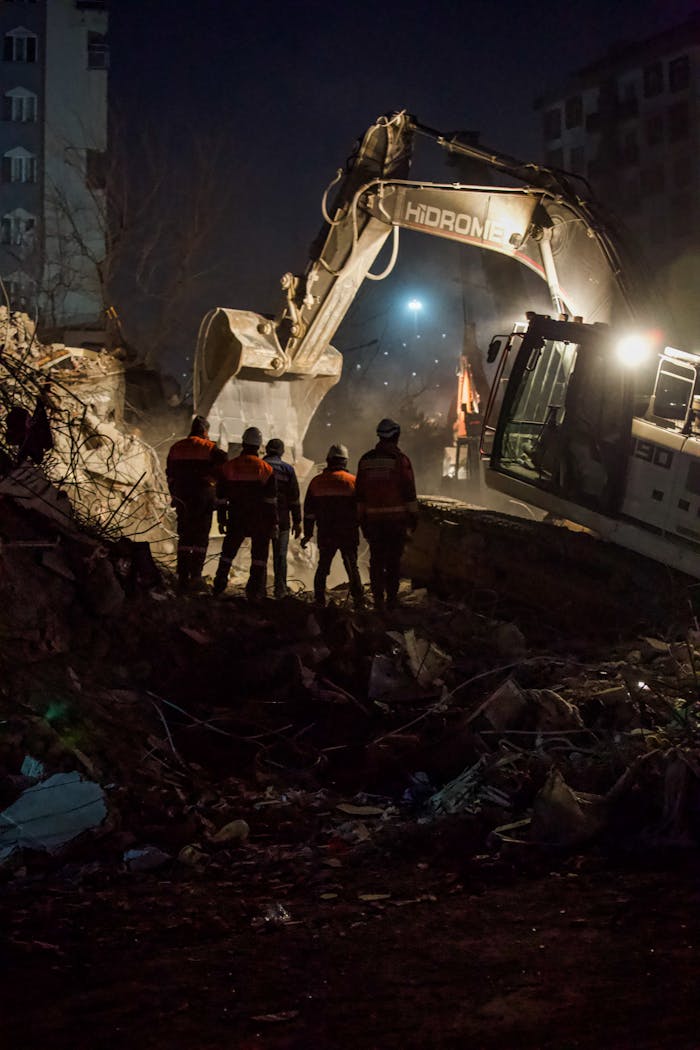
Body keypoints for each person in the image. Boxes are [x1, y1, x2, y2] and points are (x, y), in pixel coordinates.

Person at [355, 417, 418, 612]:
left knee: (376, 560)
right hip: (396, 523)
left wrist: (362, 522)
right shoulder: (400, 460)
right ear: (396, 436)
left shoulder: (365, 460)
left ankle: (378, 600)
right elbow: (409, 492)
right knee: (393, 562)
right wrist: (413, 520)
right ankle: (391, 600)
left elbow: (360, 495)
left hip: (373, 522)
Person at [213, 426, 278, 599]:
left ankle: (219, 586)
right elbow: (271, 502)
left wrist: (221, 519)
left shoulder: (230, 466)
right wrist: (273, 524)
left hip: (236, 516)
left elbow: (221, 497)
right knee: (259, 557)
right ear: (259, 446)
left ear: (243, 443)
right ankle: (254, 592)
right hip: (259, 519)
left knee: (227, 553)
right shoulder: (266, 469)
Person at [302, 443, 364, 610]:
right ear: (345, 461)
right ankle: (359, 601)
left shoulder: (317, 482)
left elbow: (309, 512)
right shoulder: (354, 482)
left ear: (328, 460)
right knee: (352, 567)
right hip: (348, 532)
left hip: (326, 532)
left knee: (323, 566)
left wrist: (307, 534)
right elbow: (361, 509)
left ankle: (319, 600)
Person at [166, 415, 223, 592]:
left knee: (184, 536)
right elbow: (223, 473)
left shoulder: (176, 447)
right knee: (200, 537)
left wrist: (174, 494)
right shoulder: (211, 448)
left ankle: (182, 576)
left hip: (183, 496)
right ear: (205, 431)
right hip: (203, 496)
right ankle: (196, 576)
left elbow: (170, 474)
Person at [263, 437, 302, 598]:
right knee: (280, 554)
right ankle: (280, 588)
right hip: (283, 519)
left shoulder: (260, 466)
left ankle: (259, 588)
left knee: (260, 554)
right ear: (282, 452)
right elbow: (294, 498)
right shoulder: (288, 469)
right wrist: (298, 521)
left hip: (262, 518)